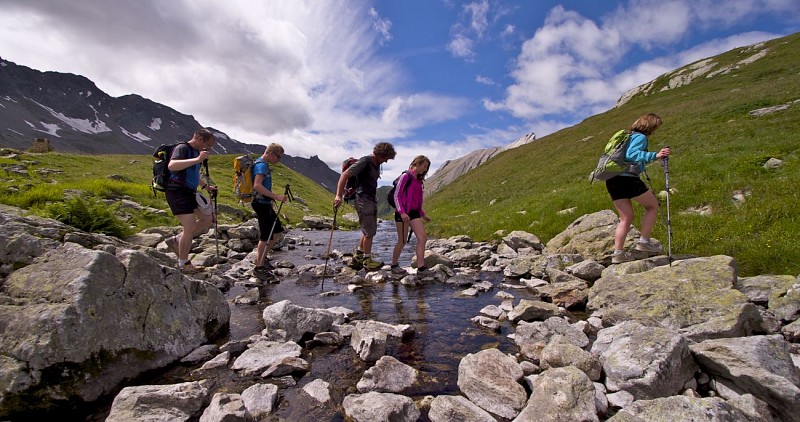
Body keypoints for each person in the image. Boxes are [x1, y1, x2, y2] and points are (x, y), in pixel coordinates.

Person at [606, 113, 671, 264]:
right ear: (650, 125)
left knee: (626, 217)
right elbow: (632, 154)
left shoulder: (626, 137)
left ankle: (618, 254)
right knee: (653, 206)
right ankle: (644, 242)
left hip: (612, 179)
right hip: (627, 179)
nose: (655, 130)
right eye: (655, 127)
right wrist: (656, 155)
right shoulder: (640, 137)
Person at [334, 142, 396, 271]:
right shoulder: (365, 161)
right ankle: (367, 261)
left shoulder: (376, 164)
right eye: (386, 158)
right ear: (381, 154)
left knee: (367, 229)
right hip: (363, 199)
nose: (386, 161)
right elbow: (345, 175)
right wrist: (338, 195)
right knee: (370, 231)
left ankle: (358, 256)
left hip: (370, 199)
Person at [164, 128, 217, 273]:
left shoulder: (195, 152)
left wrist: (205, 186)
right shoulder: (182, 148)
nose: (208, 148)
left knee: (208, 218)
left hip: (189, 192)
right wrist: (198, 159)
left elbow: (192, 171)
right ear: (200, 139)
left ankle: (177, 240)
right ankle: (184, 264)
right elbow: (172, 165)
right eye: (208, 145)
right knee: (189, 226)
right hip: (177, 192)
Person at [390, 155, 432, 275]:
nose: (425, 170)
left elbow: (417, 201)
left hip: (413, 213)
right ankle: (394, 265)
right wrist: (402, 212)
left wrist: (423, 215)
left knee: (422, 237)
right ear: (417, 164)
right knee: (402, 241)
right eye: (424, 166)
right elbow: (396, 195)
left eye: (427, 168)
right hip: (402, 212)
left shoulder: (419, 181)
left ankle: (421, 267)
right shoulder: (405, 176)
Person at [251, 143, 287, 279]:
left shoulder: (262, 165)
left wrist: (271, 199)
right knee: (266, 235)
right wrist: (276, 196)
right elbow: (257, 186)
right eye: (278, 157)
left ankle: (263, 259)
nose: (278, 160)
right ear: (271, 154)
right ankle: (258, 267)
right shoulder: (261, 165)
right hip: (260, 204)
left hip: (265, 203)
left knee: (277, 231)